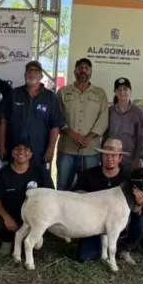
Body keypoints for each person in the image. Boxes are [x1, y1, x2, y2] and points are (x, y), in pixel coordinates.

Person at [72, 139, 143, 263]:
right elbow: (73, 196)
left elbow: (136, 210)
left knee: (142, 223)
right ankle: (101, 247)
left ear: (120, 158)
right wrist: (79, 195)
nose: (110, 159)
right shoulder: (88, 175)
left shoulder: (128, 178)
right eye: (106, 155)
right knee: (85, 257)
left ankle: (124, 247)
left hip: (121, 225)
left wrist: (139, 202)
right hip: (93, 226)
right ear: (101, 156)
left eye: (114, 156)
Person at [0, 61, 65, 171]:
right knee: (13, 179)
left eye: (36, 71)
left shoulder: (50, 97)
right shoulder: (14, 94)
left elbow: (55, 126)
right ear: (25, 75)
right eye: (29, 71)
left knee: (37, 181)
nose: (32, 74)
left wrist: (51, 149)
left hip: (39, 150)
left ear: (41, 76)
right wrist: (1, 145)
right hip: (15, 149)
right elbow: (3, 120)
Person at [0, 141, 54, 256]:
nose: (21, 152)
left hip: (34, 218)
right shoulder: (2, 173)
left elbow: (51, 195)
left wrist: (40, 221)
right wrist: (6, 217)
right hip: (11, 217)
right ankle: (7, 241)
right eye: (17, 149)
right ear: (12, 153)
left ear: (31, 154)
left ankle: (31, 241)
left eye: (26, 150)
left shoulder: (40, 172)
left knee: (35, 255)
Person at [56, 58, 109, 190]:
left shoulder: (100, 93)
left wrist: (89, 137)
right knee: (63, 188)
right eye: (80, 68)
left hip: (91, 151)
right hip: (67, 149)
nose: (83, 70)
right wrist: (74, 135)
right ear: (75, 71)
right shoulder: (62, 92)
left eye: (87, 68)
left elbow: (103, 119)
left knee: (90, 189)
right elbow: (57, 117)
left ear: (91, 72)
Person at [105, 77, 143, 178]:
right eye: (119, 89)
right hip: (111, 159)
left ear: (130, 91)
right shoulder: (109, 111)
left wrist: (138, 159)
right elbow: (105, 135)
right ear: (115, 92)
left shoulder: (138, 112)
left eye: (125, 89)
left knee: (128, 189)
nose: (122, 92)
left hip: (130, 160)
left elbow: (141, 138)